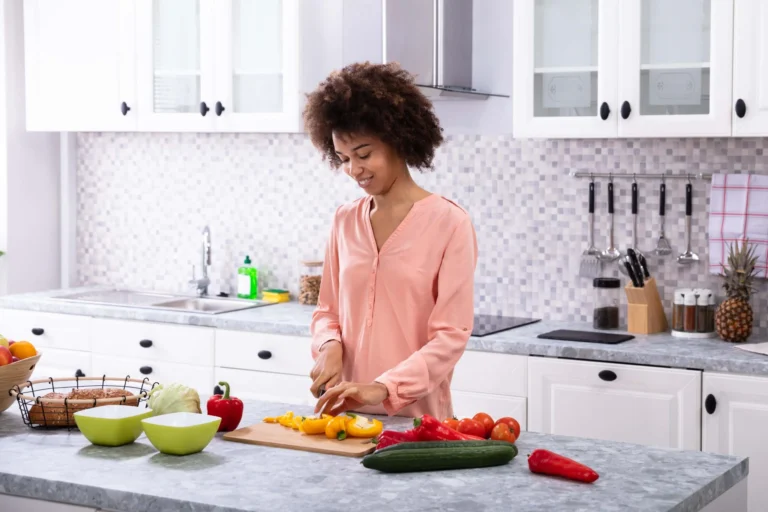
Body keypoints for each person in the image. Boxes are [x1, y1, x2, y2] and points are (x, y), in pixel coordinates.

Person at [304, 62, 478, 420]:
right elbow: (328, 312)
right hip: (345, 420)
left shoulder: (450, 223)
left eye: (364, 154)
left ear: (398, 139)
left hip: (419, 423)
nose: (354, 170)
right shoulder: (344, 220)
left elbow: (450, 337)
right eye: (344, 159)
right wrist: (329, 345)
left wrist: (384, 387)